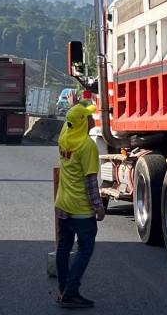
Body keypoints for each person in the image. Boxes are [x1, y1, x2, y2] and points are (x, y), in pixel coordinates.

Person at [54, 102, 104, 309]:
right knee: (85, 250)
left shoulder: (64, 137)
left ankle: (63, 289)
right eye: (88, 117)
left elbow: (70, 122)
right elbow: (91, 182)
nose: (92, 119)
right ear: (83, 122)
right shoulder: (87, 145)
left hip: (63, 204)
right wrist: (98, 207)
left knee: (63, 248)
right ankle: (71, 292)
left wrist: (81, 110)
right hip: (81, 210)